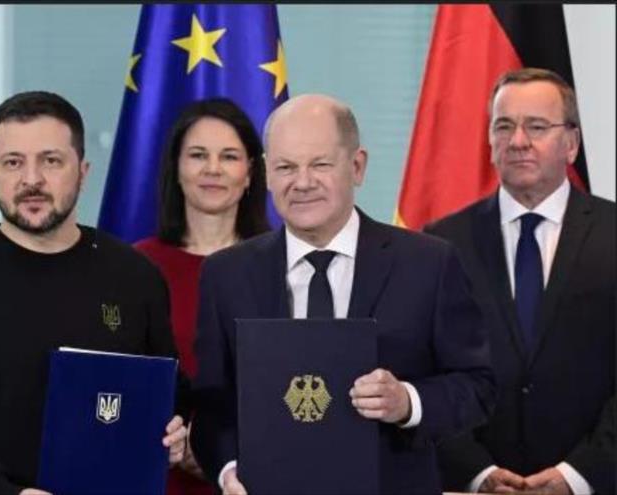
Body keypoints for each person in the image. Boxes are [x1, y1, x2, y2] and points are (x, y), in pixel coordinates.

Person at [0, 91, 188, 494]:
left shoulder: (135, 275)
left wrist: (175, 429)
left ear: (83, 170)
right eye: (13, 163)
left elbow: (164, 390)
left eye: (51, 160)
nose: (31, 180)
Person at [190, 93, 496, 494]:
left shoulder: (428, 264)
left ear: (357, 166)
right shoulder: (226, 274)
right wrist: (229, 469)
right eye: (286, 167)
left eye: (320, 164)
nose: (302, 183)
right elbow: (213, 406)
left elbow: (479, 386)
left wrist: (407, 401)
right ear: (266, 172)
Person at [426, 67, 615, 495]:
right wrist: (476, 472)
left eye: (536, 126)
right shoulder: (440, 243)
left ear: (571, 143)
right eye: (504, 126)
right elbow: (428, 374)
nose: (518, 141)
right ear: (490, 141)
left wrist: (578, 474)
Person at [135, 98, 270, 494]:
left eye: (229, 156)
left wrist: (221, 452)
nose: (213, 169)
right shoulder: (136, 266)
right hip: (159, 473)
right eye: (197, 155)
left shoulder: (283, 265)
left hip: (256, 478)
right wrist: (181, 441)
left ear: (249, 174)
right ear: (176, 169)